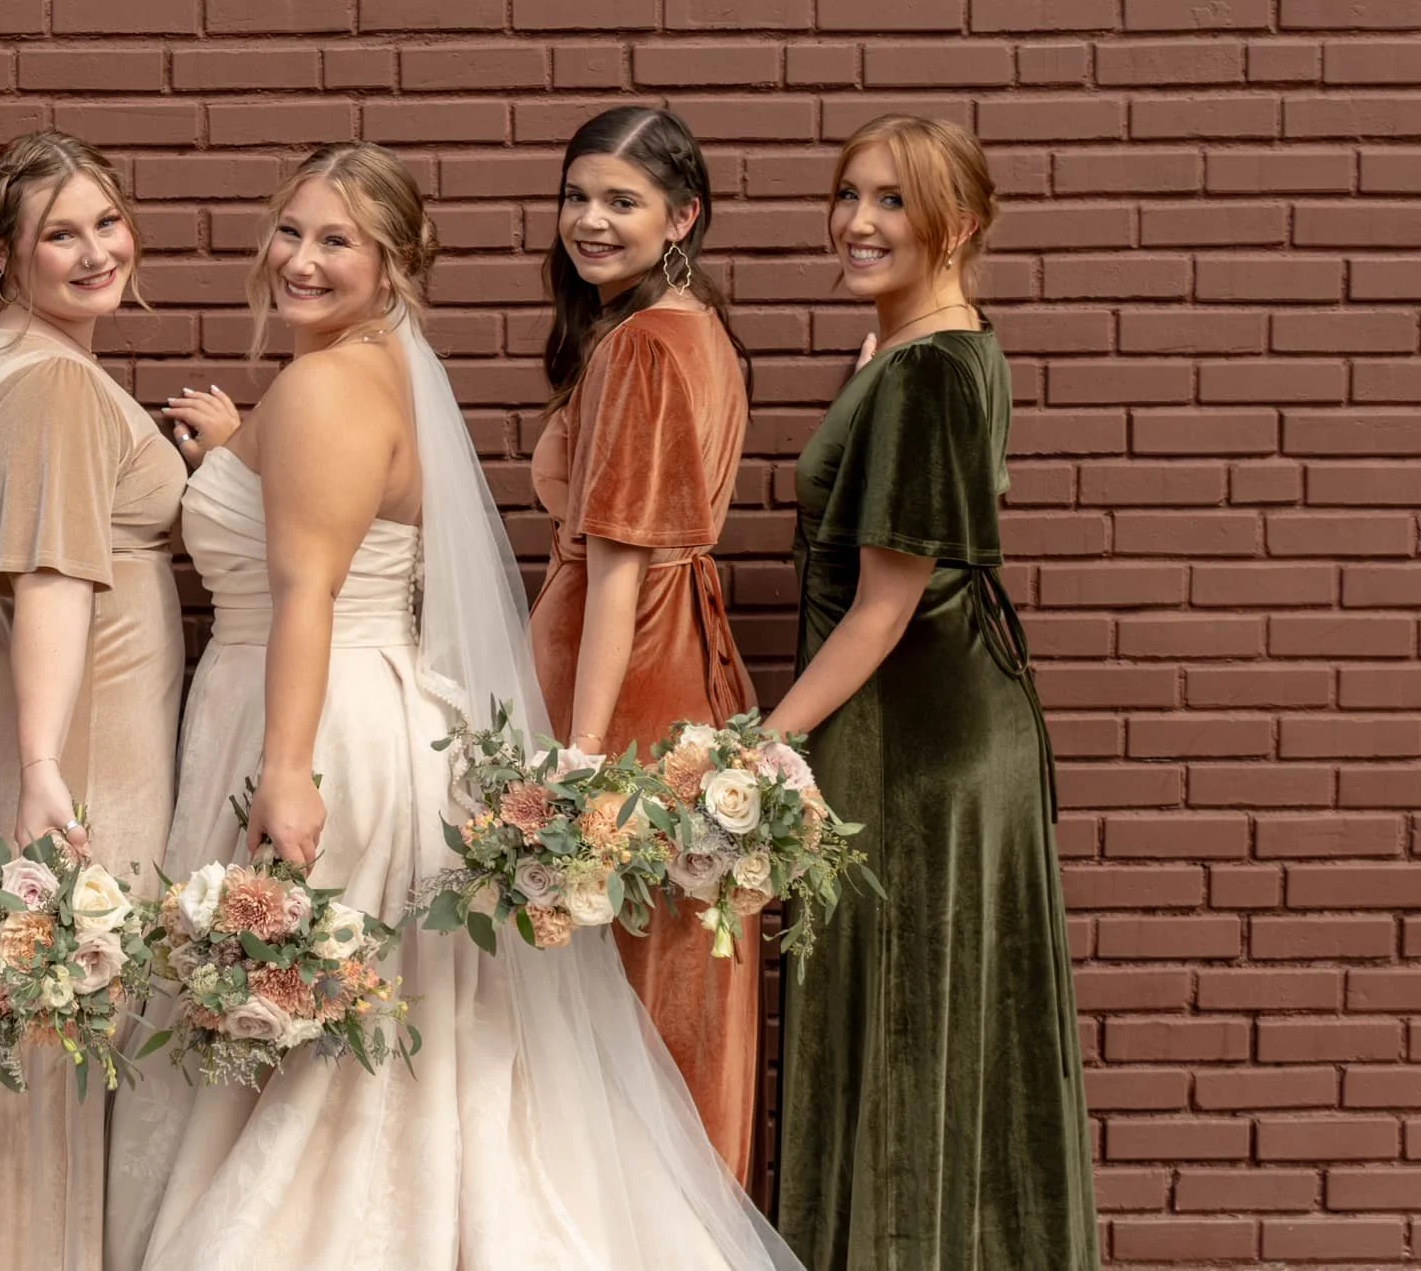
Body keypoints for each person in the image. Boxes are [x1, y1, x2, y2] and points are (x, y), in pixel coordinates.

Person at [104, 143, 801, 1271]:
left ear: (392, 263)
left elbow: (306, 596)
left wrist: (283, 772)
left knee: (323, 1038)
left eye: (336, 240)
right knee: (369, 1035)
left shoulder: (331, 384)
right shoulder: (364, 369)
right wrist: (240, 453)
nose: (300, 258)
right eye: (290, 230)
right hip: (348, 707)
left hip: (313, 723)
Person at [769, 113, 1097, 1269]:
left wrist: (756, 747)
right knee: (919, 1025)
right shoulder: (918, 347)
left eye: (891, 202)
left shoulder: (926, 371)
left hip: (921, 752)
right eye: (848, 194)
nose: (857, 222)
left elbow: (881, 604)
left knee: (909, 1023)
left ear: (959, 224)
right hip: (928, 731)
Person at [0, 132, 196, 1271]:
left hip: (8, 707)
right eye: (58, 234)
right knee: (57, 1013)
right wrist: (40, 766)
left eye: (105, 223)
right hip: (69, 728)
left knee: (20, 1018)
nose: (93, 251)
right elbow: (54, 582)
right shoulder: (58, 384)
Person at [526, 105, 761, 1182]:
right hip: (681, 673)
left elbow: (618, 561)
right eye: (576, 196)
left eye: (619, 200)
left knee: (619, 986)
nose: (588, 220)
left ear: (682, 216)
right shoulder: (694, 328)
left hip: (627, 691)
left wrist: (576, 764)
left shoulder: (646, 346)